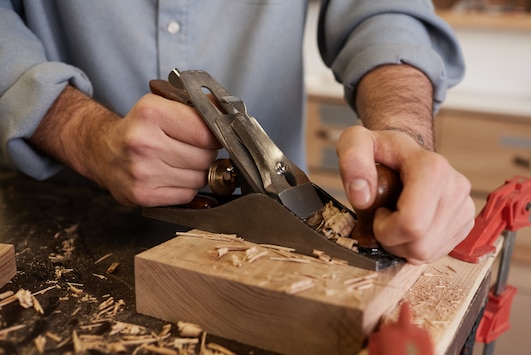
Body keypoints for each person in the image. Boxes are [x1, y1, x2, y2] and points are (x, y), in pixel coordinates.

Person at [0, 1, 474, 265]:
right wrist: (84, 133)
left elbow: (384, 11)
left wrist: (402, 130)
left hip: (270, 253)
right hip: (65, 224)